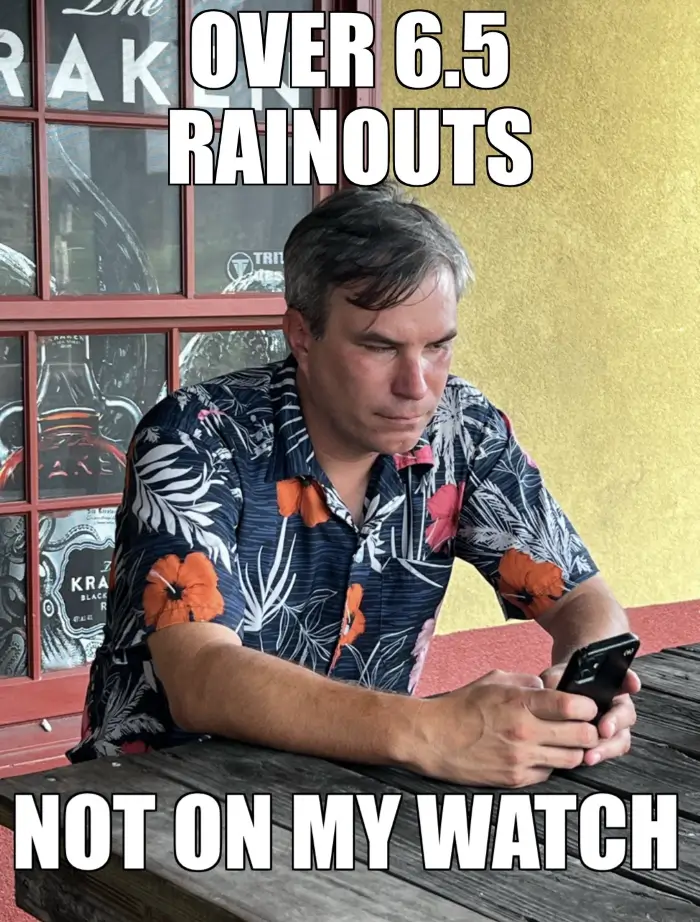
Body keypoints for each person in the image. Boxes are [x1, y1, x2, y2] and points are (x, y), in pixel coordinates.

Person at [67, 182, 639, 788]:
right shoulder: (193, 438)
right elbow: (202, 677)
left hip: (351, 798)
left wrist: (583, 690)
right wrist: (431, 730)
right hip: (157, 808)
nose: (417, 386)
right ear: (302, 336)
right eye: (379, 346)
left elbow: (580, 598)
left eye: (438, 347)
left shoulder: (462, 429)